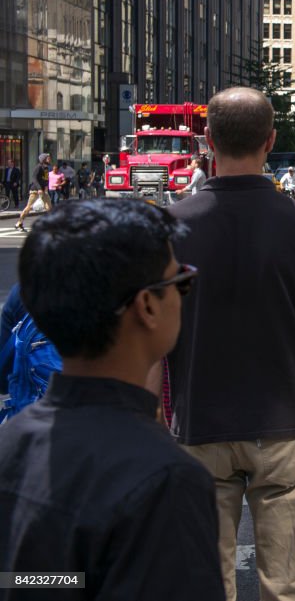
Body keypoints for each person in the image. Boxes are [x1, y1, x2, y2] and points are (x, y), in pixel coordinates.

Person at [166, 87, 295, 601]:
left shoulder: (169, 228)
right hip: (287, 430)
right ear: (270, 141)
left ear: (208, 140)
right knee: (291, 588)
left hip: (198, 427)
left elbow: (149, 340)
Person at [0, 199, 225, 600]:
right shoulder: (167, 480)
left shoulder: (11, 442)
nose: (184, 294)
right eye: (181, 281)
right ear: (147, 305)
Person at [15, 153, 52, 230]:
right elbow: (34, 179)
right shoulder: (38, 167)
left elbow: (46, 179)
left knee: (49, 208)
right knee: (28, 207)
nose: (49, 159)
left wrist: (45, 187)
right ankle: (19, 222)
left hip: (43, 191)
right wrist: (39, 188)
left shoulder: (46, 168)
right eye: (48, 158)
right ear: (43, 159)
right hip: (35, 190)